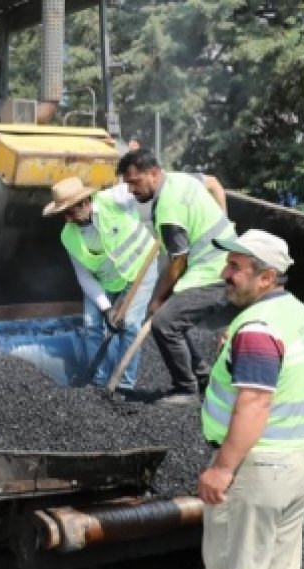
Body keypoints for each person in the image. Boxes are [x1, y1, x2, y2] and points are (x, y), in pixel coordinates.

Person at [196, 229, 304, 569]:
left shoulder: (257, 328)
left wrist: (222, 468)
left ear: (266, 277)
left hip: (259, 470)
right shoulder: (296, 312)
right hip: (302, 462)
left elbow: (254, 402)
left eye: (236, 268)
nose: (225, 273)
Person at [118, 148, 238, 405]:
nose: (131, 190)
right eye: (127, 184)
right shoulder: (181, 178)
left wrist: (158, 299)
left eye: (134, 182)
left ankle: (185, 388)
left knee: (164, 322)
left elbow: (178, 261)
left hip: (213, 272)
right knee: (172, 318)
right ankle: (203, 376)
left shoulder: (168, 210)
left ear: (152, 174)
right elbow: (214, 183)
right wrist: (225, 222)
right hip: (225, 261)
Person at [43, 176, 158, 390]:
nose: (68, 219)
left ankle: (124, 385)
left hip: (140, 268)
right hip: (104, 280)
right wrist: (106, 308)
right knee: (91, 325)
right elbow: (84, 276)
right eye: (63, 214)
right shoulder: (68, 236)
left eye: (70, 212)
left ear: (85, 202)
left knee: (130, 325)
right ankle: (98, 380)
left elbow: (145, 185)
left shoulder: (115, 199)